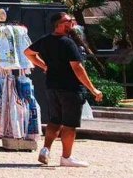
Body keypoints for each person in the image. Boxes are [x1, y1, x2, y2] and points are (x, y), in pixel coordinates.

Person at [27, 12, 104, 168]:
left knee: (55, 120)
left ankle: (46, 150)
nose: (72, 24)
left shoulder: (45, 40)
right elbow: (77, 67)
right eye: (68, 21)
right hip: (70, 88)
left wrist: (45, 66)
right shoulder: (68, 43)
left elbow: (28, 53)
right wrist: (93, 89)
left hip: (52, 86)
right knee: (69, 124)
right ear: (59, 24)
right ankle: (66, 157)